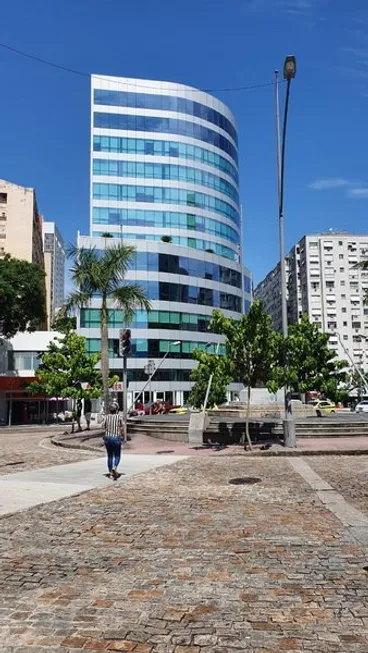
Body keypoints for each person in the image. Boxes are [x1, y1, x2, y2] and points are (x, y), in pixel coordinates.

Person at [102, 403, 125, 480]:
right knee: (117, 455)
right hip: (116, 437)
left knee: (110, 455)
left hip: (108, 437)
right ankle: (115, 467)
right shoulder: (119, 417)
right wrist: (123, 437)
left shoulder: (106, 417)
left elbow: (103, 426)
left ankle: (110, 473)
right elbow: (122, 427)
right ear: (117, 410)